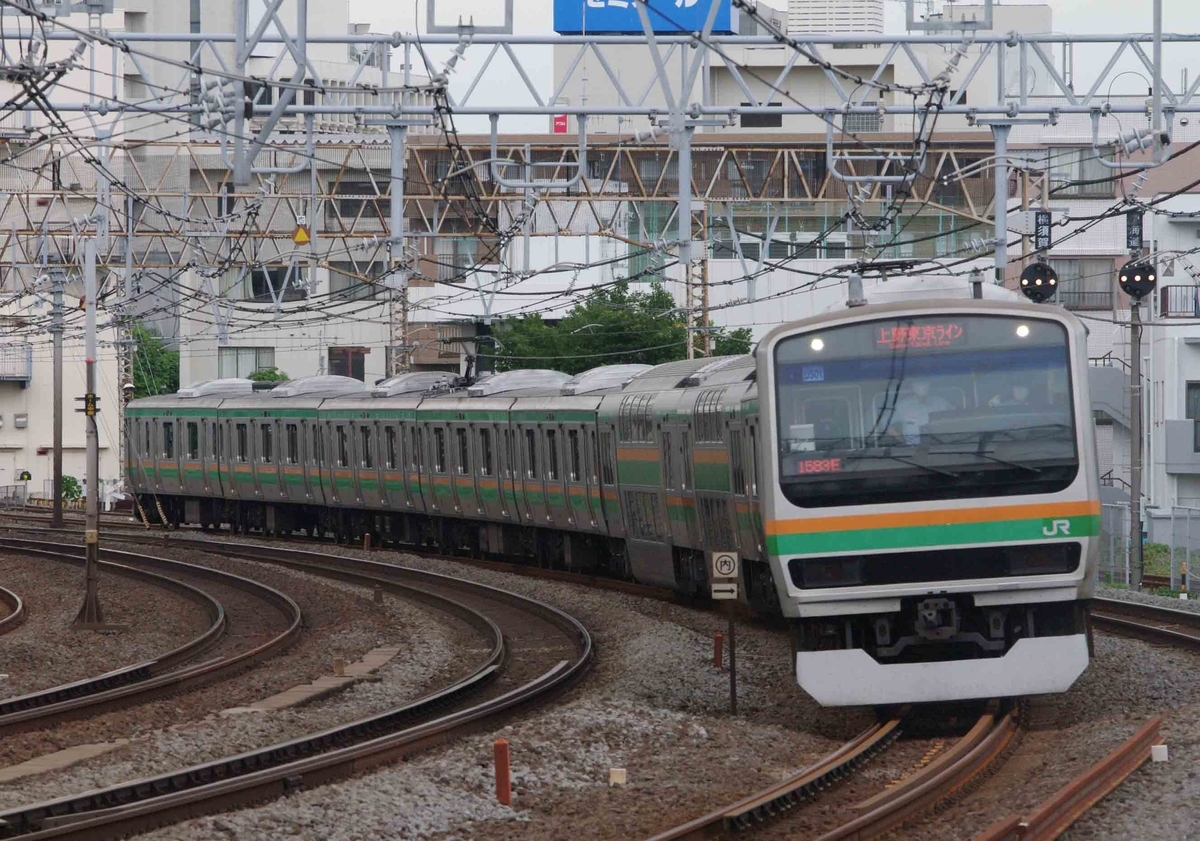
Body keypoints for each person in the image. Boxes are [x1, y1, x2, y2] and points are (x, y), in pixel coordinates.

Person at [891, 381, 951, 445]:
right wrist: (903, 441)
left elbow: (958, 418)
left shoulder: (941, 403)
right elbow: (884, 424)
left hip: (941, 447)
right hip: (912, 449)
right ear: (912, 386)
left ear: (929, 385)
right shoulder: (902, 406)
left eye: (924, 383)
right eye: (918, 383)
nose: (921, 386)